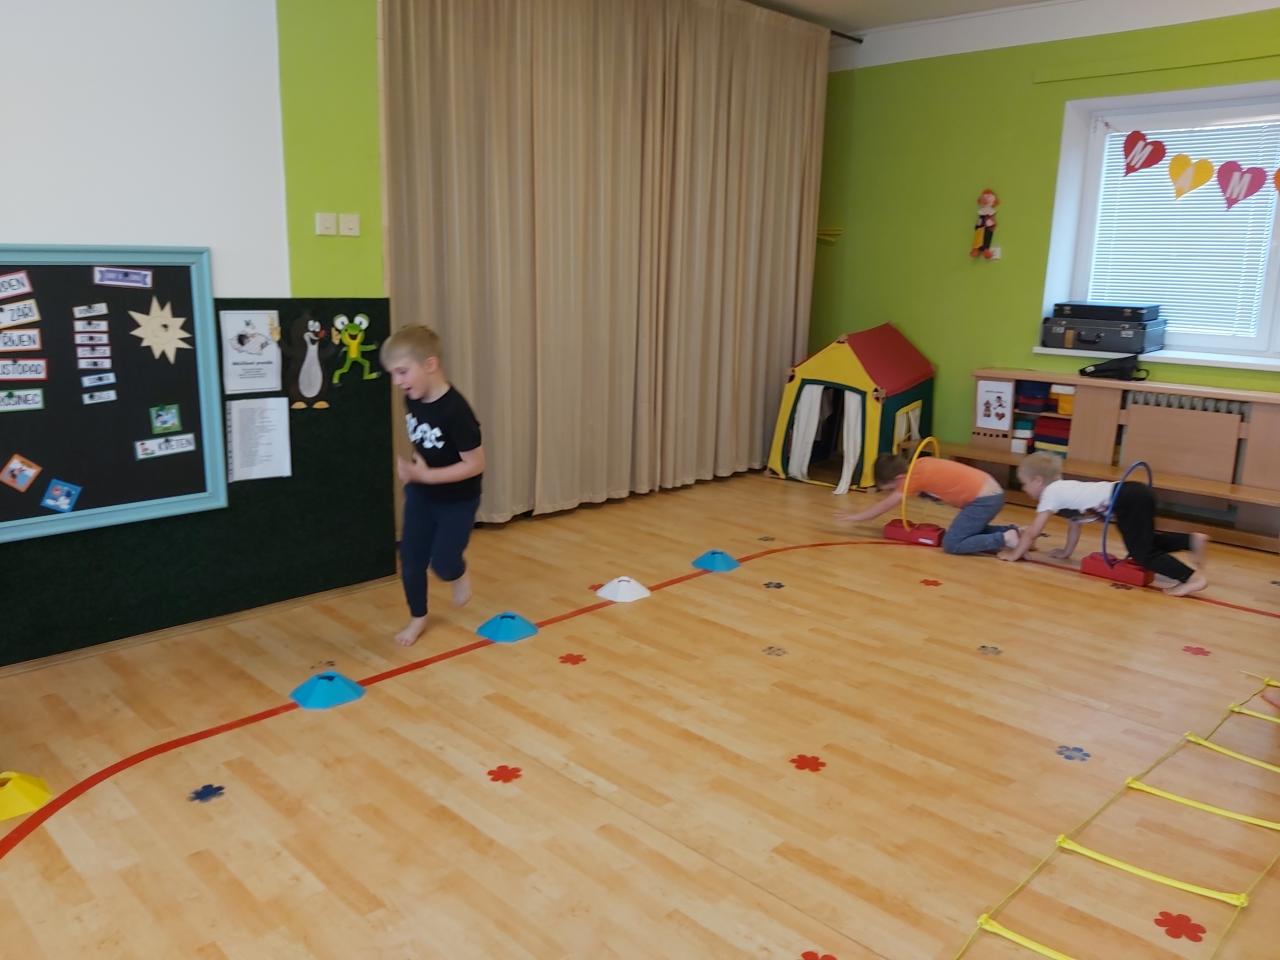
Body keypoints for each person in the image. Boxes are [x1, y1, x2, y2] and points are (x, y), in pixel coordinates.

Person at [380, 325, 485, 646]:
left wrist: (424, 476)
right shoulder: (412, 399)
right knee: (411, 561)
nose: (397, 382)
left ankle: (458, 573)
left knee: (443, 564)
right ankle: (418, 617)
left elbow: (475, 464)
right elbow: (426, 443)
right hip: (422, 495)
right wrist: (417, 473)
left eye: (402, 372)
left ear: (430, 364)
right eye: (393, 374)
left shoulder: (457, 411)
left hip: (458, 500)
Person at [1002, 452, 1207, 597]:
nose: (1024, 489)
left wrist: (1014, 554)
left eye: (1024, 483)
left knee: (1142, 553)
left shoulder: (1050, 494)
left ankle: (1191, 578)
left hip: (1127, 499)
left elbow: (1033, 532)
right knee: (1147, 541)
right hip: (1133, 493)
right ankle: (1191, 541)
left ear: (1037, 481)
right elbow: (1075, 523)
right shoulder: (1064, 488)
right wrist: (1066, 552)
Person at [835, 450, 1019, 555]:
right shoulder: (920, 463)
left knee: (952, 543)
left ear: (899, 478)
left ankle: (1005, 538)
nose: (895, 492)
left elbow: (884, 506)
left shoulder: (912, 479)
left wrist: (856, 517)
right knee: (967, 530)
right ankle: (1016, 531)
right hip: (990, 492)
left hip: (984, 500)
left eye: (892, 488)